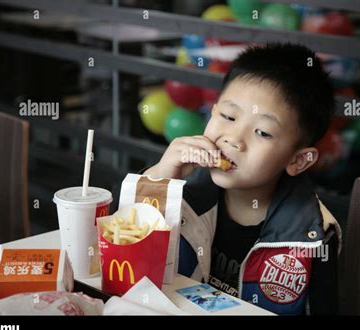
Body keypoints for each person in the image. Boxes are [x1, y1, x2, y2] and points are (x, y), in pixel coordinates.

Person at [143, 43, 341, 315]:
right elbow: (118, 253)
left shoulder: (313, 238)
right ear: (212, 112)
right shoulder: (180, 190)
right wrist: (159, 178)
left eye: (263, 132)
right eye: (228, 116)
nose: (233, 139)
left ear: (297, 160)